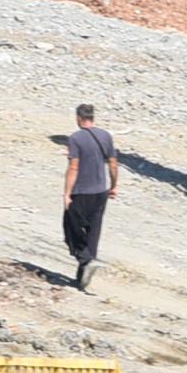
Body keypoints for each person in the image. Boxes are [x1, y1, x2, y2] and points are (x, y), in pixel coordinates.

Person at [61, 103, 119, 290]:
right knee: (93, 233)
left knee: (71, 228)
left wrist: (67, 193)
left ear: (79, 117)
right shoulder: (106, 136)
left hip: (81, 192)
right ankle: (82, 278)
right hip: (100, 192)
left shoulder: (76, 138)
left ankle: (85, 260)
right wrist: (114, 186)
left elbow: (74, 168)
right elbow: (113, 164)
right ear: (92, 117)